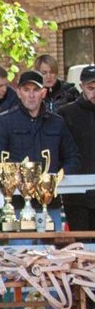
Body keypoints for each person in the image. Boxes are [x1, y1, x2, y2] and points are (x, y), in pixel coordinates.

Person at [0, 69, 81, 233]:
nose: (31, 95)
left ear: (43, 93)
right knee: (21, 250)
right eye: (26, 90)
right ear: (18, 92)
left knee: (53, 250)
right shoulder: (4, 121)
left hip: (51, 205)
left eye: (36, 90)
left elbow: (73, 157)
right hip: (16, 205)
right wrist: (15, 180)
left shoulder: (57, 122)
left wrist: (56, 179)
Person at [58, 65, 95, 231]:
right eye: (91, 88)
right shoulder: (66, 113)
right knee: (81, 242)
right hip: (76, 194)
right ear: (81, 87)